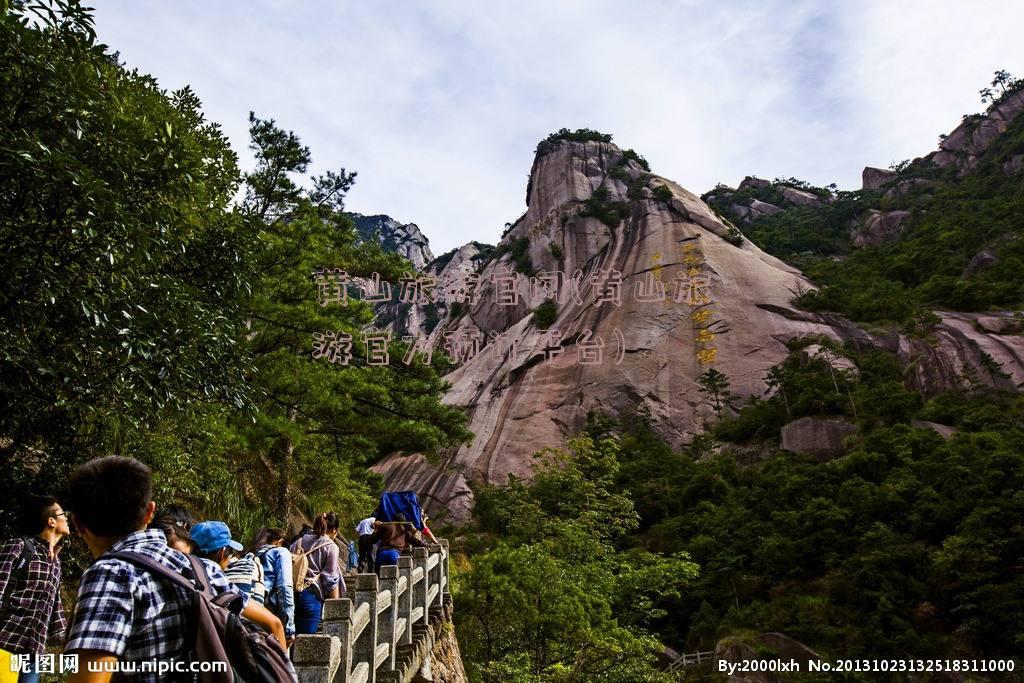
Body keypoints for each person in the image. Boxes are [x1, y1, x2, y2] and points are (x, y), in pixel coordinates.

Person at [63, 456, 285, 682]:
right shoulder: (205, 569)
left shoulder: (110, 574)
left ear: (78, 525)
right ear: (150, 512)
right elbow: (272, 622)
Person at [0, 494, 69, 683]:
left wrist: (67, 640)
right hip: (6, 642)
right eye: (63, 514)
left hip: (34, 654)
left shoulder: (56, 563)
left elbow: (55, 606)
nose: (67, 518)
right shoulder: (19, 547)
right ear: (51, 521)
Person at [289, 513, 341, 634]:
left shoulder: (299, 541)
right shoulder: (331, 547)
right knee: (306, 642)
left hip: (291, 594)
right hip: (311, 596)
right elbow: (330, 578)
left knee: (290, 639)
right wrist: (335, 605)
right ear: (334, 530)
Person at [250, 528, 295, 645]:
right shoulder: (281, 552)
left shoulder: (251, 554)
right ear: (279, 542)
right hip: (268, 612)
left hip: (249, 608)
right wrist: (289, 628)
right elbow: (285, 587)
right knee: (276, 659)